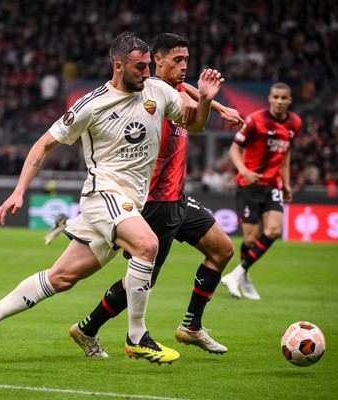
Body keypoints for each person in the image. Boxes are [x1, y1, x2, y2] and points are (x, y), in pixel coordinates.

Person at [0, 32, 224, 365]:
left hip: (129, 204)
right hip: (104, 195)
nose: (147, 73)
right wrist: (19, 191)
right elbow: (43, 144)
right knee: (147, 246)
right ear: (119, 66)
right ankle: (137, 337)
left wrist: (206, 101)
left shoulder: (159, 92)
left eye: (148, 66)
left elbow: (194, 126)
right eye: (140, 67)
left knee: (61, 277)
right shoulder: (92, 104)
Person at [65, 33, 242, 358]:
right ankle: (88, 328)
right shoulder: (150, 94)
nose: (185, 66)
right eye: (178, 60)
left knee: (222, 249)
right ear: (157, 61)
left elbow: (186, 91)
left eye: (187, 59)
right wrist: (210, 103)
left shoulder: (175, 89)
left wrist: (215, 104)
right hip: (154, 201)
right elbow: (184, 101)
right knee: (143, 280)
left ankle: (191, 326)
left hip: (178, 197)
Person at [220, 82, 302, 300]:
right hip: (249, 184)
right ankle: (243, 277)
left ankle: (236, 274)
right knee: (250, 238)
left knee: (274, 230)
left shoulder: (295, 123)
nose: (280, 101)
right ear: (270, 98)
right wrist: (244, 171)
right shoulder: (255, 120)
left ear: (290, 100)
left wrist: (286, 183)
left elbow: (285, 154)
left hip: (273, 184)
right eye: (276, 97)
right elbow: (234, 149)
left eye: (284, 98)